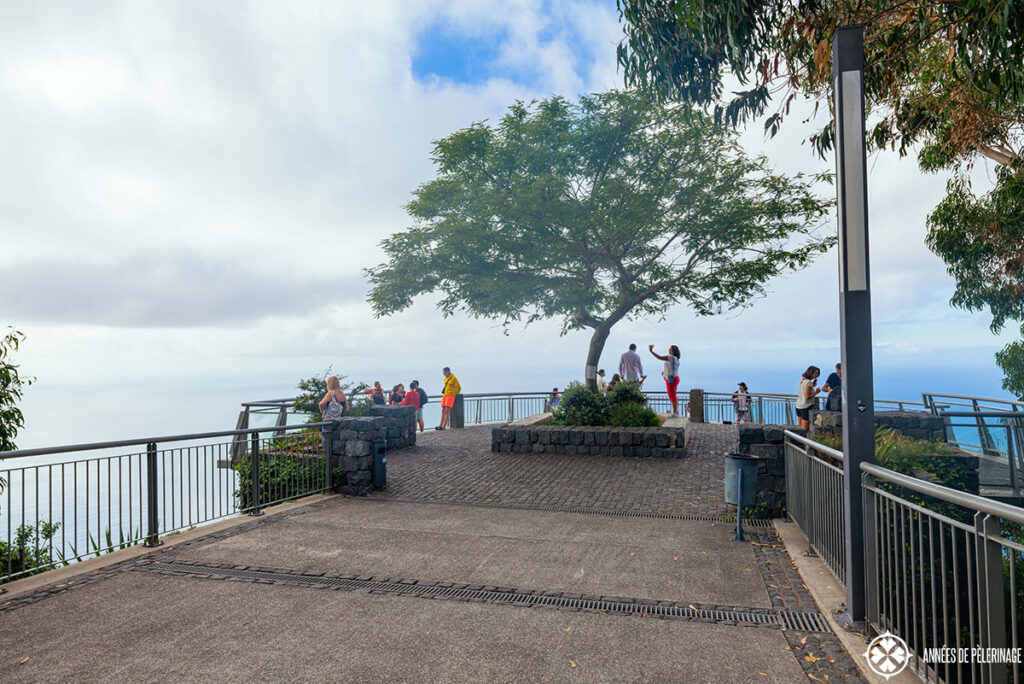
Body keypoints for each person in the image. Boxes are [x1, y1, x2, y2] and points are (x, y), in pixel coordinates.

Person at [648, 344, 681, 416]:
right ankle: (676, 412)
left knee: (672, 396)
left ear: (673, 351)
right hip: (675, 378)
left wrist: (651, 351)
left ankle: (675, 413)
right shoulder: (676, 359)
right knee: (673, 395)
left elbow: (659, 357)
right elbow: (671, 368)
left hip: (671, 379)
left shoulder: (671, 357)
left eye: (670, 349)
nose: (669, 350)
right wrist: (664, 372)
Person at [797, 366, 823, 430]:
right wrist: (816, 392)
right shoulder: (809, 383)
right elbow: (807, 397)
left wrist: (812, 386)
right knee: (805, 430)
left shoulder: (802, 380)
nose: (817, 375)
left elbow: (803, 391)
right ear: (811, 373)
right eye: (816, 373)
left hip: (798, 405)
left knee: (800, 430)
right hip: (806, 406)